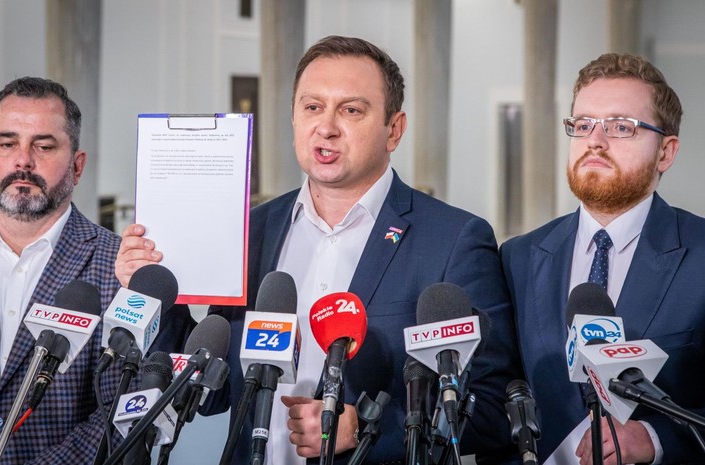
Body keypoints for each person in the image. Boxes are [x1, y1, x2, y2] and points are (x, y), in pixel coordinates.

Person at [117, 35, 521, 464]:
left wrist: (367, 427)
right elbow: (211, 393)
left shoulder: (454, 239)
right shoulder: (252, 232)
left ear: (394, 129)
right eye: (312, 107)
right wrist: (155, 296)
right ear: (293, 117)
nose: (326, 127)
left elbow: (494, 408)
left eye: (351, 110)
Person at [0, 76, 192, 464]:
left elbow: (125, 407)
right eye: (7, 144)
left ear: (77, 166)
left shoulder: (123, 270)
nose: (23, 160)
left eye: (43, 146)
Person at [501, 53, 705, 464]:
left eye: (621, 126)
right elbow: (500, 391)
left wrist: (655, 439)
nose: (595, 140)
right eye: (583, 125)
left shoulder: (699, 253)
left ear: (665, 152)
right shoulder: (519, 256)